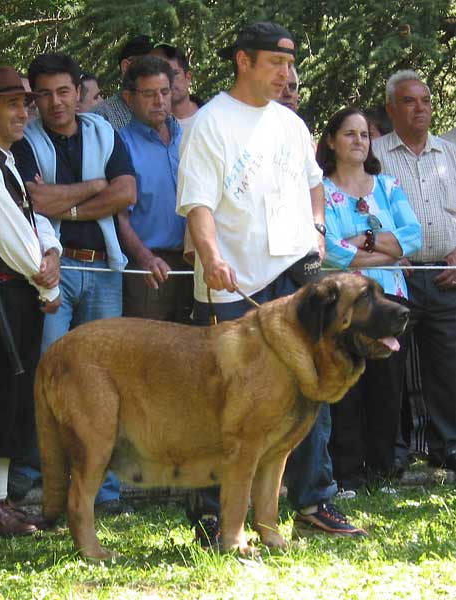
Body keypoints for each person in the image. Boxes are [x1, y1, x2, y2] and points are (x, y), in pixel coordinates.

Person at [177, 21, 366, 543]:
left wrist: (319, 231)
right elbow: (197, 203)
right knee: (225, 403)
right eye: (277, 63)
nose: (288, 73)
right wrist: (211, 256)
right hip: (237, 282)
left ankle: (313, 500)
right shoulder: (209, 123)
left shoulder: (289, 122)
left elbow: (313, 185)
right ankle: (213, 512)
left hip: (297, 275)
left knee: (313, 389)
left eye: (290, 63)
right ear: (244, 61)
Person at [11, 52, 136, 514]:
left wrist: (71, 203)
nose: (55, 101)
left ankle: (104, 492)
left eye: (63, 91)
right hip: (54, 271)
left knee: (109, 382)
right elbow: (35, 200)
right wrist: (94, 186)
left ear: (79, 91)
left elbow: (127, 192)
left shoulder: (105, 132)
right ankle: (49, 485)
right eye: (43, 93)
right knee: (50, 378)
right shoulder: (24, 141)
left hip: (104, 268)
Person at [0, 66, 61, 536]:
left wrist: (53, 252)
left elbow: (35, 221)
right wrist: (47, 282)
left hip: (14, 290)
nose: (23, 112)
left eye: (25, 104)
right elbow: (8, 235)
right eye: (11, 104)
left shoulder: (9, 161)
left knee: (14, 391)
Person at [316, 107, 421, 493]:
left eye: (364, 134)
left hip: (390, 299)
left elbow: (412, 237)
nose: (359, 141)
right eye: (349, 134)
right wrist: (385, 250)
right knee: (345, 387)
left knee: (386, 387)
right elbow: (327, 250)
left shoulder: (388, 187)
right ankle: (346, 473)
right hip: (343, 304)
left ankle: (383, 470)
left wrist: (364, 244)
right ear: (331, 141)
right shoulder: (321, 191)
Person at [372, 70, 456, 471]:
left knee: (448, 366)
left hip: (445, 273)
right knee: (391, 371)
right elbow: (360, 210)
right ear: (391, 109)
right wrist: (389, 253)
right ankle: (393, 454)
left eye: (424, 100)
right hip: (395, 276)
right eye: (409, 101)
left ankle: (447, 448)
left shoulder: (449, 152)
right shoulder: (376, 154)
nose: (420, 107)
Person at [118, 56, 193, 321]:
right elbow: (119, 217)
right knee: (146, 355)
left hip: (192, 263)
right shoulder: (120, 145)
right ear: (129, 97)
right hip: (147, 267)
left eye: (164, 92)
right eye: (149, 94)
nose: (159, 101)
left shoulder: (188, 138)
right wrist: (145, 259)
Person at [95, 34, 154, 130]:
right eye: (150, 63)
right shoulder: (102, 117)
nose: (158, 71)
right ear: (126, 67)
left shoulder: (165, 114)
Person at [150, 43, 203, 131]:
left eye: (175, 73)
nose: (169, 80)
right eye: (163, 75)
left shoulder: (210, 115)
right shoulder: (150, 125)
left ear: (188, 78)